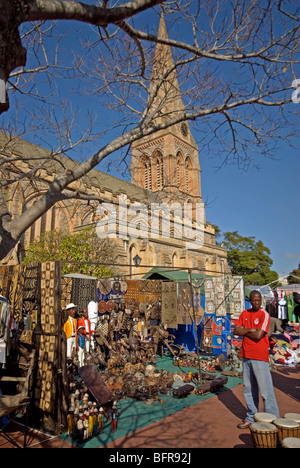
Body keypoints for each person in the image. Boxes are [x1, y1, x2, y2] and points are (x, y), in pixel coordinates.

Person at [234, 290, 279, 428]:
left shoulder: (264, 315)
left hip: (259, 356)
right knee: (249, 388)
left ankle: (271, 418)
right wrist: (249, 330)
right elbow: (236, 331)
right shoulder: (244, 313)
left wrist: (245, 330)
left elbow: (259, 335)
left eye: (259, 300)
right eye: (254, 300)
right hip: (246, 355)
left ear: (261, 301)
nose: (256, 303)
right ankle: (251, 416)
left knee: (265, 390)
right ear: (250, 300)